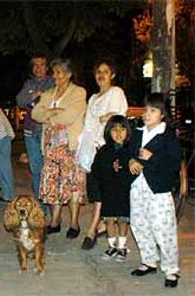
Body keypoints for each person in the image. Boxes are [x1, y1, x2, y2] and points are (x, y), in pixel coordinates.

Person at [128, 93, 181, 288]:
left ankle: (171, 270)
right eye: (146, 109)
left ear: (162, 114)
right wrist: (131, 160)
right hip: (137, 187)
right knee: (139, 224)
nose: (147, 114)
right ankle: (149, 261)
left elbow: (175, 162)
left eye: (153, 110)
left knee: (163, 229)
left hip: (158, 189)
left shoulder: (167, 136)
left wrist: (153, 157)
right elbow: (128, 151)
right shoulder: (138, 132)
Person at [32, 58, 86, 239]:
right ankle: (55, 221)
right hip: (51, 147)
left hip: (69, 147)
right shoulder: (48, 94)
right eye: (54, 73)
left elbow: (71, 116)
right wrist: (55, 112)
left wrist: (51, 117)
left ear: (69, 74)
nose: (56, 76)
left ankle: (74, 223)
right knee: (53, 184)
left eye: (60, 73)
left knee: (72, 185)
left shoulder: (78, 92)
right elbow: (36, 113)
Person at [80, 58, 128, 250]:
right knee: (95, 189)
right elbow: (89, 124)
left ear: (112, 75)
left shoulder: (116, 93)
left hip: (109, 148)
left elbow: (117, 118)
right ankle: (100, 224)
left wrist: (104, 119)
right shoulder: (92, 98)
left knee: (103, 190)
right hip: (93, 148)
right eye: (98, 72)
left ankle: (92, 229)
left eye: (105, 72)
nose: (101, 75)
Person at [90, 115, 133, 262]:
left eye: (122, 129)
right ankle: (112, 246)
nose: (118, 133)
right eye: (114, 129)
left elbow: (135, 171)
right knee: (108, 219)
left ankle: (121, 247)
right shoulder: (104, 151)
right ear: (108, 132)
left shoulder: (130, 150)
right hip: (108, 191)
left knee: (122, 220)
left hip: (124, 191)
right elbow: (96, 170)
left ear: (128, 131)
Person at [16, 55, 54, 199]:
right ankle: (40, 201)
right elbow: (20, 100)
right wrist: (33, 95)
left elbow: (51, 101)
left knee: (49, 167)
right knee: (35, 168)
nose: (38, 68)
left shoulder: (53, 82)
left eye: (42, 64)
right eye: (35, 65)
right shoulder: (28, 83)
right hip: (30, 131)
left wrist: (37, 95)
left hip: (47, 130)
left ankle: (49, 199)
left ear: (47, 67)